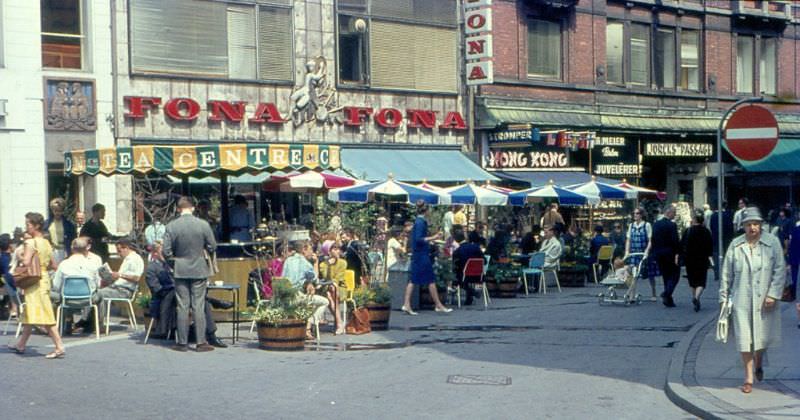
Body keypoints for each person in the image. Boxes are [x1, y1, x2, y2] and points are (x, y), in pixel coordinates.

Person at [719, 207, 785, 394]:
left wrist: (773, 294)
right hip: (742, 299)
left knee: (761, 339)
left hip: (765, 299)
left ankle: (759, 362)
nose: (752, 228)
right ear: (743, 226)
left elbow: (780, 270)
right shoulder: (736, 245)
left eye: (756, 224)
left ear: (761, 225)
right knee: (744, 338)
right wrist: (723, 297)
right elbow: (726, 273)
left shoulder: (772, 243)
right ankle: (748, 377)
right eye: (748, 224)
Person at [145, 242, 227, 347]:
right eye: (163, 252)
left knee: (201, 301)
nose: (167, 255)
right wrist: (176, 288)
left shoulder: (171, 265)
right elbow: (156, 289)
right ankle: (214, 305)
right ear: (155, 253)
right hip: (165, 299)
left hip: (180, 297)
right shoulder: (152, 267)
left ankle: (211, 335)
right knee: (198, 299)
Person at [162, 196, 217, 352]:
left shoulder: (172, 226)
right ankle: (201, 342)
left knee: (182, 306)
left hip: (180, 269)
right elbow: (212, 246)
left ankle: (182, 343)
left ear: (179, 209)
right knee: (198, 306)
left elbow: (166, 251)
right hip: (199, 268)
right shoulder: (203, 224)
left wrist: (175, 262)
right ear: (193, 208)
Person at [8, 212, 66, 359]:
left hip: (34, 281)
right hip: (44, 278)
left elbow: (26, 262)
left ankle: (59, 346)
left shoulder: (31, 243)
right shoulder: (46, 242)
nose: (26, 227)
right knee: (30, 311)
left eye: (28, 224)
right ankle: (21, 344)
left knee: (45, 314)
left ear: (36, 226)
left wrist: (19, 256)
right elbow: (54, 265)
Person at [402, 200, 451, 315]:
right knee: (426, 279)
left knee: (419, 279)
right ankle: (437, 305)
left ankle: (407, 304)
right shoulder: (420, 222)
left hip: (419, 254)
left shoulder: (419, 221)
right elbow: (419, 239)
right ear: (427, 211)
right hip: (421, 255)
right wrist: (433, 237)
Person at [49, 237, 101, 333]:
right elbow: (97, 284)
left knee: (52, 294)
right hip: (87, 299)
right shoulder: (92, 264)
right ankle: (97, 325)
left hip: (66, 299)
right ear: (86, 249)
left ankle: (60, 323)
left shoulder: (64, 264)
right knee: (100, 294)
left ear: (72, 248)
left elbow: (56, 286)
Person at [681, 211, 713, 312]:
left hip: (690, 259)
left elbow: (682, 244)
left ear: (694, 220)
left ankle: (695, 297)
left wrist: (681, 256)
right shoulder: (706, 231)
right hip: (702, 259)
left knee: (693, 281)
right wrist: (710, 256)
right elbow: (710, 245)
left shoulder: (688, 231)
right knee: (701, 281)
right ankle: (696, 297)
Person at [624, 207, 657, 301]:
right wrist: (627, 251)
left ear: (641, 215)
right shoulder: (631, 225)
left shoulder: (647, 225)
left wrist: (647, 251)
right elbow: (628, 240)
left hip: (644, 252)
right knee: (634, 275)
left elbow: (650, 240)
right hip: (634, 252)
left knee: (650, 275)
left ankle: (654, 292)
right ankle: (631, 296)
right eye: (634, 213)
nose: (635, 215)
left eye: (637, 213)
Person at [652, 205, 680, 308]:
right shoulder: (672, 225)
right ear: (669, 213)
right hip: (670, 254)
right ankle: (666, 293)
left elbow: (653, 240)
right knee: (675, 276)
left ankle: (668, 300)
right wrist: (678, 252)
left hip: (659, 254)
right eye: (674, 212)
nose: (675, 214)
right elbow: (675, 240)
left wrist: (654, 254)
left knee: (665, 276)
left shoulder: (656, 225)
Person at [318, 245, 346, 335]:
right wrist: (329, 265)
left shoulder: (343, 262)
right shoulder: (323, 264)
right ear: (329, 252)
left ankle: (339, 323)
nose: (338, 251)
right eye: (335, 249)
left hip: (340, 287)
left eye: (338, 249)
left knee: (332, 291)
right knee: (330, 294)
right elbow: (326, 277)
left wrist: (333, 283)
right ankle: (340, 323)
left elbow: (339, 277)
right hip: (327, 288)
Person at [452, 231, 484, 305]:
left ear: (456, 240)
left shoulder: (457, 251)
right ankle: (470, 295)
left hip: (464, 277)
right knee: (462, 276)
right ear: (465, 238)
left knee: (457, 277)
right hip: (479, 276)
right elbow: (484, 261)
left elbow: (455, 266)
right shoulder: (476, 247)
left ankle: (471, 292)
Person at [44, 198, 77, 264]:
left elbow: (73, 239)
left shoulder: (69, 224)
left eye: (60, 210)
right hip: (52, 250)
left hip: (65, 250)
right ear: (52, 210)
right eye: (55, 210)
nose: (57, 213)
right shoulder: (46, 223)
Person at [1, 233, 18, 318]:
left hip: (5, 285)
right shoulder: (12, 259)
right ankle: (14, 308)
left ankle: (9, 307)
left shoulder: (2, 258)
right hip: (11, 286)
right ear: (10, 245)